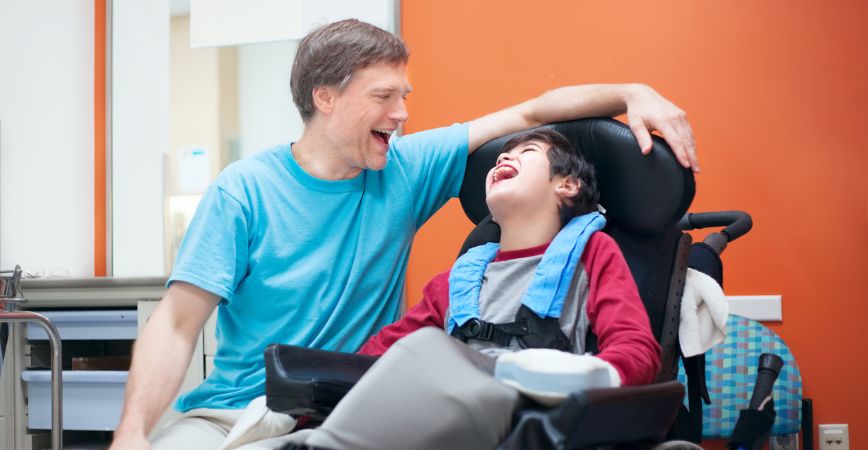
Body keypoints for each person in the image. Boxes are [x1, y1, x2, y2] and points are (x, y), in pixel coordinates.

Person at [109, 18, 696, 450]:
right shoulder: (243, 192)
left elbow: (532, 112)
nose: (402, 114)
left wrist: (631, 93)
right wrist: (132, 433)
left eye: (404, 97)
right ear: (326, 98)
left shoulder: (405, 168)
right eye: (384, 97)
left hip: (351, 405)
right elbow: (177, 323)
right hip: (235, 411)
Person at [250, 128, 661, 450]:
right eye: (503, 155)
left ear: (567, 185)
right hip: (436, 411)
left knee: (426, 350)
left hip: (522, 409)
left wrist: (575, 378)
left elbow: (637, 352)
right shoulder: (457, 281)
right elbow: (381, 353)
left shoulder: (592, 253)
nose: (504, 157)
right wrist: (313, 394)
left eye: (527, 153)